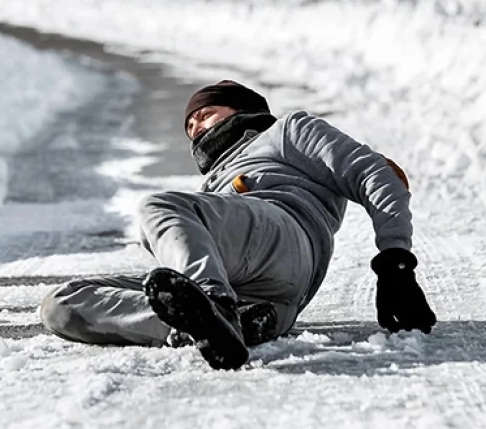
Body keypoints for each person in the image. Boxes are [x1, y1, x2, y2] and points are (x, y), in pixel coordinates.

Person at [40, 80, 436, 370]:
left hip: (285, 235)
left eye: (204, 113)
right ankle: (211, 325)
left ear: (241, 110)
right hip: (268, 296)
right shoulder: (211, 184)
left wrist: (395, 262)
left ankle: (213, 304)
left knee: (158, 207)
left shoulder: (286, 133)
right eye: (189, 125)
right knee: (61, 304)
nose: (195, 127)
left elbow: (377, 173)